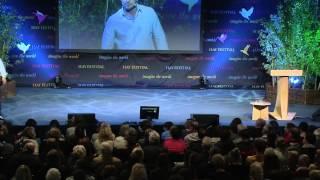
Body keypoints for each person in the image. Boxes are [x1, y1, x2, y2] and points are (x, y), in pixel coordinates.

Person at [101, 0, 168, 50]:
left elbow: (160, 39)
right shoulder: (112, 20)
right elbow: (105, 51)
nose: (127, 0)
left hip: (149, 64)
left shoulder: (150, 13)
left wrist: (164, 62)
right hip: (126, 66)